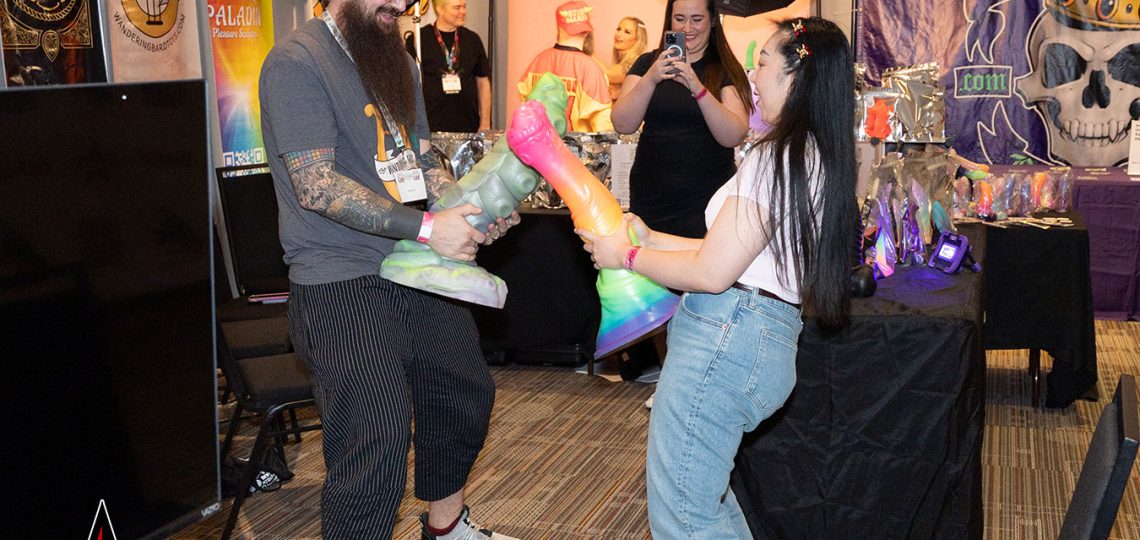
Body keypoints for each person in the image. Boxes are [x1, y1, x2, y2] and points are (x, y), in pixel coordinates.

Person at [578, 17, 856, 537]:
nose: (753, 74)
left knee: (684, 515)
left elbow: (711, 273)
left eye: (763, 62)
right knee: (705, 506)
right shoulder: (810, 154)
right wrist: (650, 239)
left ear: (795, 75)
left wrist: (626, 258)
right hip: (759, 338)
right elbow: (734, 256)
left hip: (727, 340)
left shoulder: (776, 157)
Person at [258, 1, 519, 538]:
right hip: (337, 274)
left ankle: (447, 528)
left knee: (463, 389)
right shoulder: (296, 61)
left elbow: (419, 162)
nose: (401, 5)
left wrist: (469, 210)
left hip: (409, 262)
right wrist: (429, 228)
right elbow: (316, 186)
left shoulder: (397, 60)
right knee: (375, 430)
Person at [611, 0, 753, 385]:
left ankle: (693, 372)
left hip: (705, 197)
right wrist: (651, 79)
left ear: (712, 22)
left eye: (697, 19)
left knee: (699, 280)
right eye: (680, 18)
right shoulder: (648, 64)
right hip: (653, 191)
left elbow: (733, 134)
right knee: (653, 279)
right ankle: (659, 366)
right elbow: (622, 122)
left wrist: (697, 87)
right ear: (668, 21)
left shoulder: (722, 68)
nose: (688, 28)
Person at [517, 1, 613, 133]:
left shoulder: (538, 60)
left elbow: (525, 104)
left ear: (559, 28)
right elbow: (602, 121)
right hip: (572, 143)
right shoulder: (590, 68)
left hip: (538, 140)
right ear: (586, 32)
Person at [405, 0, 492, 133]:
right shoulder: (418, 40)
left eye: (464, 7)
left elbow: (483, 83)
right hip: (431, 127)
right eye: (457, 8)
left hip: (468, 127)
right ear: (440, 10)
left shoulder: (473, 40)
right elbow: (408, 84)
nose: (463, 12)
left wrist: (485, 123)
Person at [606, 16, 648, 101]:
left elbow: (606, 74)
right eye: (619, 29)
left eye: (627, 32)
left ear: (637, 39)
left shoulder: (634, 64)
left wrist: (585, 47)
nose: (619, 34)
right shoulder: (620, 64)